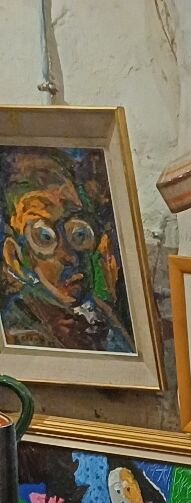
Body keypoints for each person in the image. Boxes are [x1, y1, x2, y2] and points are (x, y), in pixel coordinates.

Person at [0, 147, 135, 353]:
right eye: (44, 237)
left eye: (78, 233)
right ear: (15, 257)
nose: (70, 257)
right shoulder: (20, 333)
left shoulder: (101, 313)